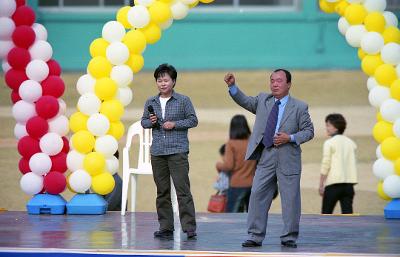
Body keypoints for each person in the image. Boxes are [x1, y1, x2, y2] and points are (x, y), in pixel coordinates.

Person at [223, 69, 314, 248]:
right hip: (266, 156)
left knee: (290, 199)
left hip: (289, 157)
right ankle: (255, 236)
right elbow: (245, 101)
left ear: (288, 84)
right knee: (257, 194)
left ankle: (289, 237)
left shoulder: (300, 107)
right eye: (272, 80)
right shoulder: (263, 100)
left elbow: (309, 131)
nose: (274, 84)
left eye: (279, 81)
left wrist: (290, 137)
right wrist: (233, 86)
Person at [141, 63, 198, 240]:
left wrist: (175, 124)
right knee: (162, 191)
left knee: (182, 190)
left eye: (166, 80)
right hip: (158, 152)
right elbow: (143, 122)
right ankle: (166, 227)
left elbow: (193, 120)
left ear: (173, 81)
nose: (162, 83)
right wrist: (151, 122)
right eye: (159, 80)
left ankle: (189, 227)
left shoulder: (183, 100)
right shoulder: (151, 102)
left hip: (178, 151)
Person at [216, 115, 256, 213]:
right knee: (252, 215)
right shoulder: (253, 142)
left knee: (232, 216)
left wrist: (218, 165)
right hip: (253, 183)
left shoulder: (231, 144)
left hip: (237, 184)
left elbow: (229, 166)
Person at [319, 113, 358, 214]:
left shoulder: (329, 143)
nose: (326, 128)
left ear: (335, 128)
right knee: (348, 217)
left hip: (333, 185)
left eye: (328, 125)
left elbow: (326, 164)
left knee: (326, 215)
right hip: (349, 186)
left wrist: (321, 184)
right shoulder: (351, 143)